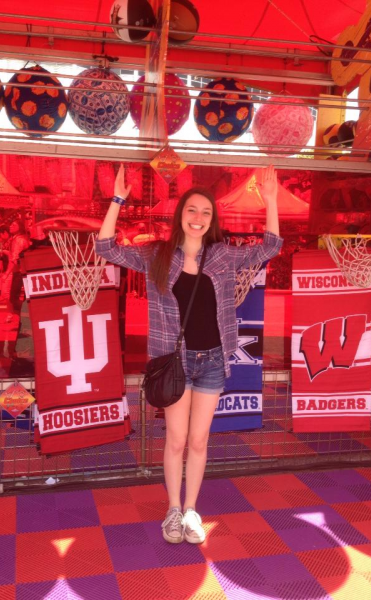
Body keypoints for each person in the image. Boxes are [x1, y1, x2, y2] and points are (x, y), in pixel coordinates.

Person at [96, 164, 283, 545]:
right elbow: (105, 247)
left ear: (212, 220)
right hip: (175, 361)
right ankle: (172, 509)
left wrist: (272, 201)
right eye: (191, 210)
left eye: (205, 212)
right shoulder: (157, 255)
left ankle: (193, 509)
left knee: (199, 441)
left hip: (213, 359)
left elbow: (271, 247)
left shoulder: (224, 256)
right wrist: (117, 199)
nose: (198, 218)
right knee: (176, 440)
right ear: (180, 215)